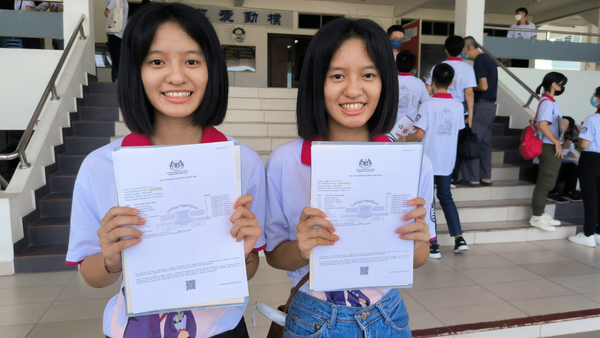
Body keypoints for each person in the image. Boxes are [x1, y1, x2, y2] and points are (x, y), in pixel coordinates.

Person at [66, 3, 265, 337]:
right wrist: (111, 260)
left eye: (192, 61)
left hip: (222, 329)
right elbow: (90, 273)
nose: (176, 76)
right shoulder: (101, 166)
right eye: (156, 61)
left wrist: (243, 255)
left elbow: (251, 267)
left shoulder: (242, 161)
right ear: (135, 71)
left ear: (211, 70)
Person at [264, 17, 432, 337]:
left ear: (385, 82)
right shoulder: (286, 162)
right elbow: (274, 256)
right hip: (313, 314)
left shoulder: (412, 164)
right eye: (337, 75)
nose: (353, 89)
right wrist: (302, 250)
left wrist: (418, 238)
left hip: (389, 315)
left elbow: (420, 257)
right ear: (316, 82)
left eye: (368, 75)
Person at [404, 63, 468, 258]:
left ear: (431, 82)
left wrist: (402, 139)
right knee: (446, 198)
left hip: (427, 162)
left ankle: (433, 244)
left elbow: (418, 134)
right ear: (452, 82)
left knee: (428, 202)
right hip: (447, 161)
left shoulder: (428, 105)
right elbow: (457, 131)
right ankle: (459, 238)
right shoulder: (459, 106)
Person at [529, 72, 567, 232]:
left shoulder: (551, 101)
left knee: (548, 182)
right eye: (561, 84)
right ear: (554, 85)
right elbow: (543, 125)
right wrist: (557, 142)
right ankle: (536, 216)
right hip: (548, 145)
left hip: (550, 145)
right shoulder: (547, 102)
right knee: (545, 182)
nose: (562, 87)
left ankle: (541, 212)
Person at [461, 36, 498, 187]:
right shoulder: (489, 60)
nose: (462, 53)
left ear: (468, 48)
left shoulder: (480, 61)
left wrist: (468, 87)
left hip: (481, 105)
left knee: (472, 140)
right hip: (490, 107)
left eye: (462, 50)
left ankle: (473, 178)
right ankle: (485, 177)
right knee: (484, 144)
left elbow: (483, 86)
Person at [568, 86, 600, 247]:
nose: (593, 97)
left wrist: (579, 139)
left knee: (591, 198)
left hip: (592, 160)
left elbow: (586, 144)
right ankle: (598, 233)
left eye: (595, 95)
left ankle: (588, 234)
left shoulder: (592, 119)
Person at [546, 116, 582, 203]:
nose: (562, 126)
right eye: (561, 123)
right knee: (559, 164)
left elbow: (570, 153)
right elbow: (548, 154)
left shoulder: (568, 139)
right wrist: (562, 148)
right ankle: (553, 193)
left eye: (565, 125)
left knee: (573, 167)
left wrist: (571, 154)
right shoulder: (550, 135)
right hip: (547, 167)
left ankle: (568, 193)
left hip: (561, 168)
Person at [393, 50, 429, 134]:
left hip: (388, 128)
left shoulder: (388, 81)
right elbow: (426, 103)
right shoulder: (418, 83)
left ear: (396, 63)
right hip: (409, 130)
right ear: (414, 65)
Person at [105, 0, 129, 82]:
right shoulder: (115, 1)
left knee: (121, 58)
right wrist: (115, 17)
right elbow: (106, 12)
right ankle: (116, 79)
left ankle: (120, 78)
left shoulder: (125, 2)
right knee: (116, 58)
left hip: (122, 34)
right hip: (114, 33)